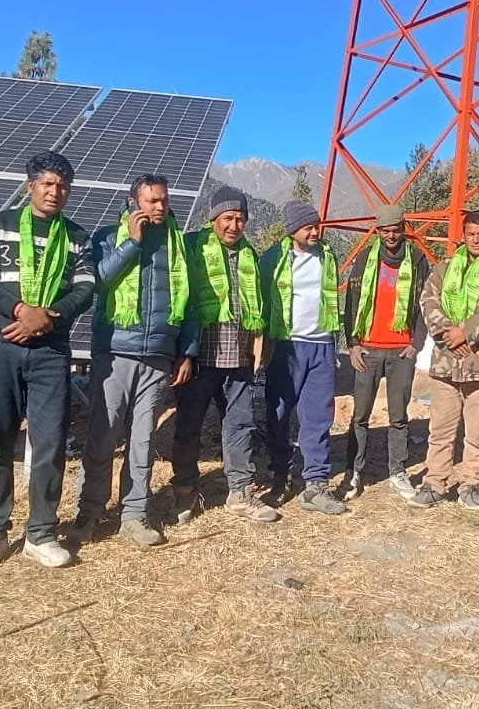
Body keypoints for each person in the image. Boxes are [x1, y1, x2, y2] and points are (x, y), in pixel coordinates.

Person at [0, 151, 96, 573]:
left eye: (63, 186)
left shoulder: (77, 237)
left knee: (49, 443)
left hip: (50, 352)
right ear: (31, 187)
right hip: (0, 346)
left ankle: (41, 534)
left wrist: (47, 319)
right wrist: (22, 311)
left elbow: (84, 289)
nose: (55, 192)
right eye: (47, 184)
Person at [69, 174, 189, 549]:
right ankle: (89, 511)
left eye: (164, 200)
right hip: (115, 350)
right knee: (103, 435)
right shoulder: (107, 237)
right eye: (152, 200)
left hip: (159, 355)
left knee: (142, 440)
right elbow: (98, 282)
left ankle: (134, 515)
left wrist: (186, 351)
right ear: (132, 203)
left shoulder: (177, 244)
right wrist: (132, 243)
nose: (160, 206)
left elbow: (190, 301)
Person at [169, 186, 278, 523]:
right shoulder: (192, 246)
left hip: (239, 358)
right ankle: (185, 491)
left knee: (240, 424)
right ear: (213, 218)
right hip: (199, 357)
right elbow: (179, 294)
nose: (234, 225)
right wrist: (182, 352)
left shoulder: (249, 255)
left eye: (240, 219)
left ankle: (240, 493)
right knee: (188, 425)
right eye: (228, 218)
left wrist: (257, 352)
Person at [409, 210, 479, 512]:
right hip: (446, 361)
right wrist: (447, 334)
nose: (476, 239)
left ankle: (471, 485)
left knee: (477, 433)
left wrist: (466, 333)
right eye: (470, 234)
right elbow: (428, 299)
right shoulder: (446, 267)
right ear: (463, 235)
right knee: (440, 429)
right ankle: (434, 483)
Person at [259, 200, 347, 515]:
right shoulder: (272, 259)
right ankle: (280, 475)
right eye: (308, 227)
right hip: (287, 345)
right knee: (279, 413)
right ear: (292, 230)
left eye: (317, 226)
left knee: (318, 416)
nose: (315, 232)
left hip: (322, 344)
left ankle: (316, 484)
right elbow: (260, 299)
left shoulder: (328, 256)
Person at [341, 203, 430, 501]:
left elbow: (424, 303)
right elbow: (352, 301)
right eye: (385, 231)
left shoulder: (417, 260)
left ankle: (397, 472)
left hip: (401, 352)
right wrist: (353, 343)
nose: (390, 236)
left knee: (399, 416)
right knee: (360, 416)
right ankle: (353, 472)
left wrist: (416, 343)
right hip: (368, 350)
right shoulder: (366, 258)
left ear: (403, 229)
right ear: (377, 231)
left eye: (395, 230)